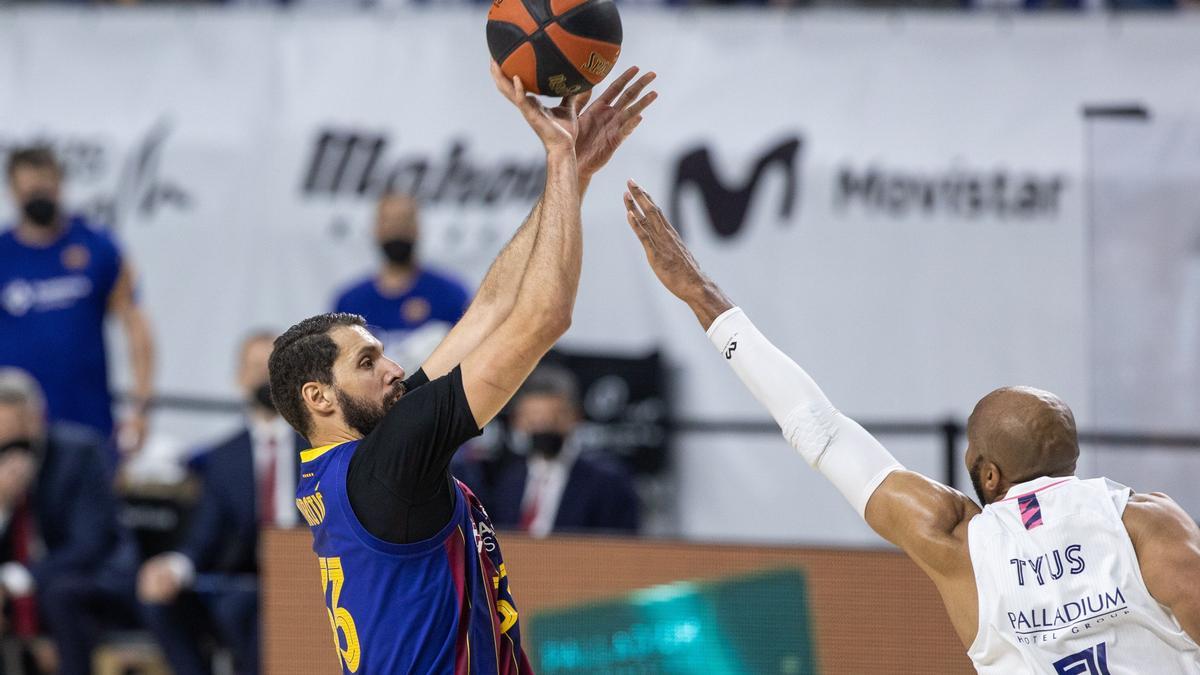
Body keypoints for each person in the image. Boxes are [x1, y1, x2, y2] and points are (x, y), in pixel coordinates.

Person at [621, 180, 1200, 673]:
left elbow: (818, 429)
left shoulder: (961, 545)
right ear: (1069, 456)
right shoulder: (1148, 523)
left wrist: (701, 296)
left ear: (989, 474)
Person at [268, 64, 655, 674]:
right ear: (319, 397)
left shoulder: (353, 461)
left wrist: (572, 177)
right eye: (369, 361)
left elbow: (490, 309)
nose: (396, 368)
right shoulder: (391, 460)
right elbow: (544, 316)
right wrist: (558, 158)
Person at [137, 332, 303, 675]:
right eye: (254, 367)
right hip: (243, 579)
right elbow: (204, 536)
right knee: (163, 600)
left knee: (246, 609)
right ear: (239, 378)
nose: (263, 375)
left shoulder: (321, 446)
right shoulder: (222, 458)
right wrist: (173, 566)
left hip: (308, 574)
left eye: (272, 366)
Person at [0, 147, 156, 455]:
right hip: (15, 429)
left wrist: (141, 406)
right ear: (13, 191)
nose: (39, 198)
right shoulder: (3, 253)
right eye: (29, 190)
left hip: (87, 421)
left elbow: (135, 325)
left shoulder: (98, 246)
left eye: (45, 188)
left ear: (60, 185)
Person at [0, 368, 140, 675]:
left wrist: (14, 580)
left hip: (95, 577)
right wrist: (3, 504)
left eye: (15, 433)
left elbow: (90, 544)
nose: (9, 446)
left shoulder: (78, 452)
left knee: (60, 595)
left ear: (37, 419)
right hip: (31, 582)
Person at [486, 363, 640, 536]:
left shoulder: (608, 483)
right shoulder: (506, 481)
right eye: (534, 418)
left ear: (576, 417)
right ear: (518, 420)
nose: (543, 427)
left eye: (555, 418)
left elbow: (620, 549)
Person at [332, 192, 471, 368]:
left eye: (404, 221)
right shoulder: (350, 301)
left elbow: (470, 356)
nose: (397, 230)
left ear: (417, 228)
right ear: (376, 229)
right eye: (389, 222)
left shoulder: (450, 294)